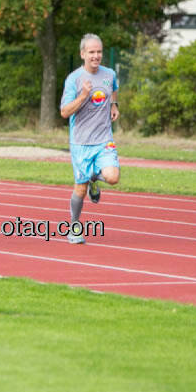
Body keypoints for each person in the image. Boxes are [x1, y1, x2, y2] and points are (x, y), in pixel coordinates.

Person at [59, 33, 120, 244]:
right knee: (80, 188)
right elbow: (64, 112)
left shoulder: (109, 74)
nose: (96, 56)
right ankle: (74, 227)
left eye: (99, 52)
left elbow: (113, 90)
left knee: (113, 177)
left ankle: (96, 177)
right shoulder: (73, 79)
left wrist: (114, 105)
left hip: (104, 139)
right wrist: (83, 96)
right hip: (81, 142)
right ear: (82, 54)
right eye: (92, 52)